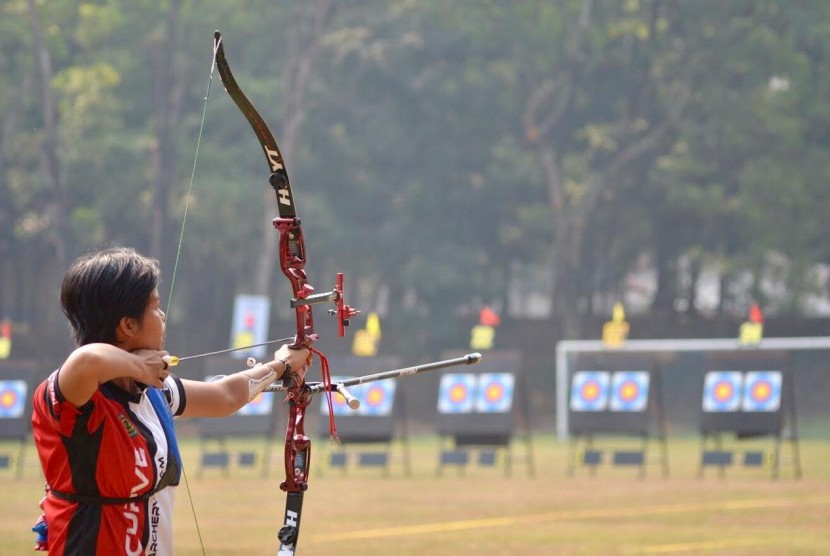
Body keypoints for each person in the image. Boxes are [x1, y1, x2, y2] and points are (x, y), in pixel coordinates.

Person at [30, 246, 311, 555]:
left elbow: (225, 397)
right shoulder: (75, 397)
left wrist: (282, 365)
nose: (162, 316)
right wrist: (139, 365)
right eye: (155, 306)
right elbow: (87, 360)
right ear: (127, 325)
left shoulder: (152, 393)